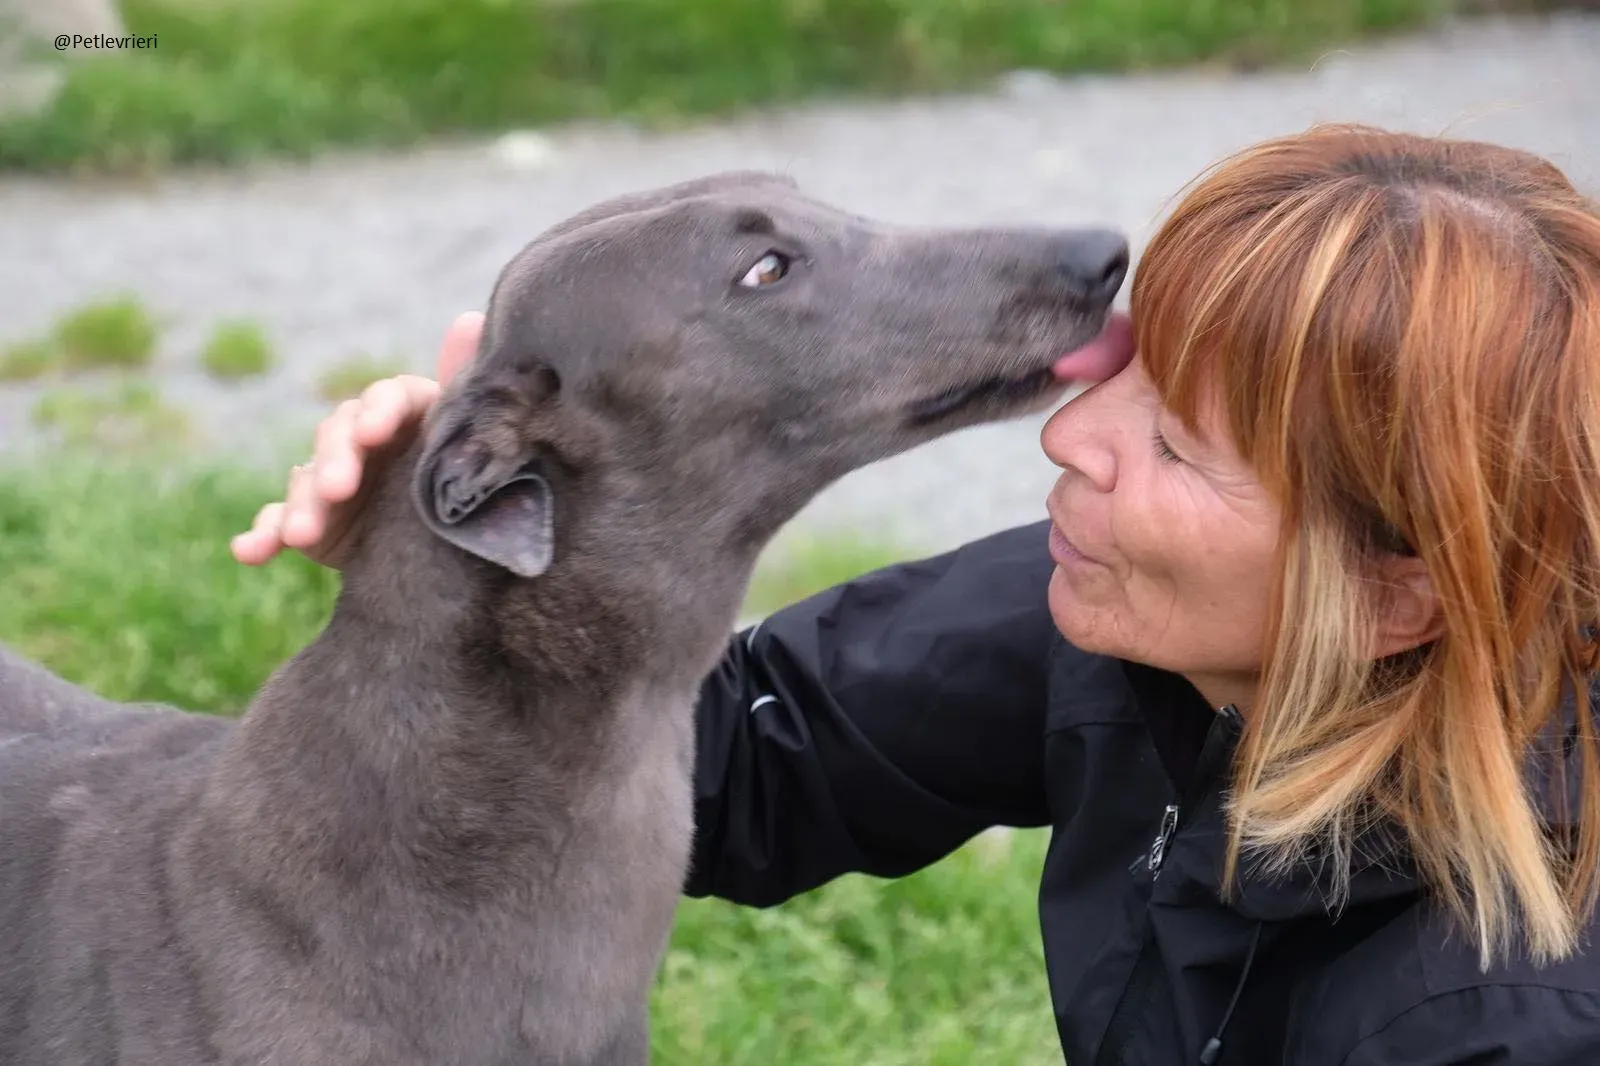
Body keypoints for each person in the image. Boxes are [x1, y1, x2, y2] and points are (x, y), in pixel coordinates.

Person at [231, 124, 1600, 1064]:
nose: (1069, 437)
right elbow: (740, 769)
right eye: (1129, 374)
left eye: (1175, 446)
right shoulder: (1121, 631)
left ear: (1395, 594)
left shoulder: (1496, 1017)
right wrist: (474, 555)